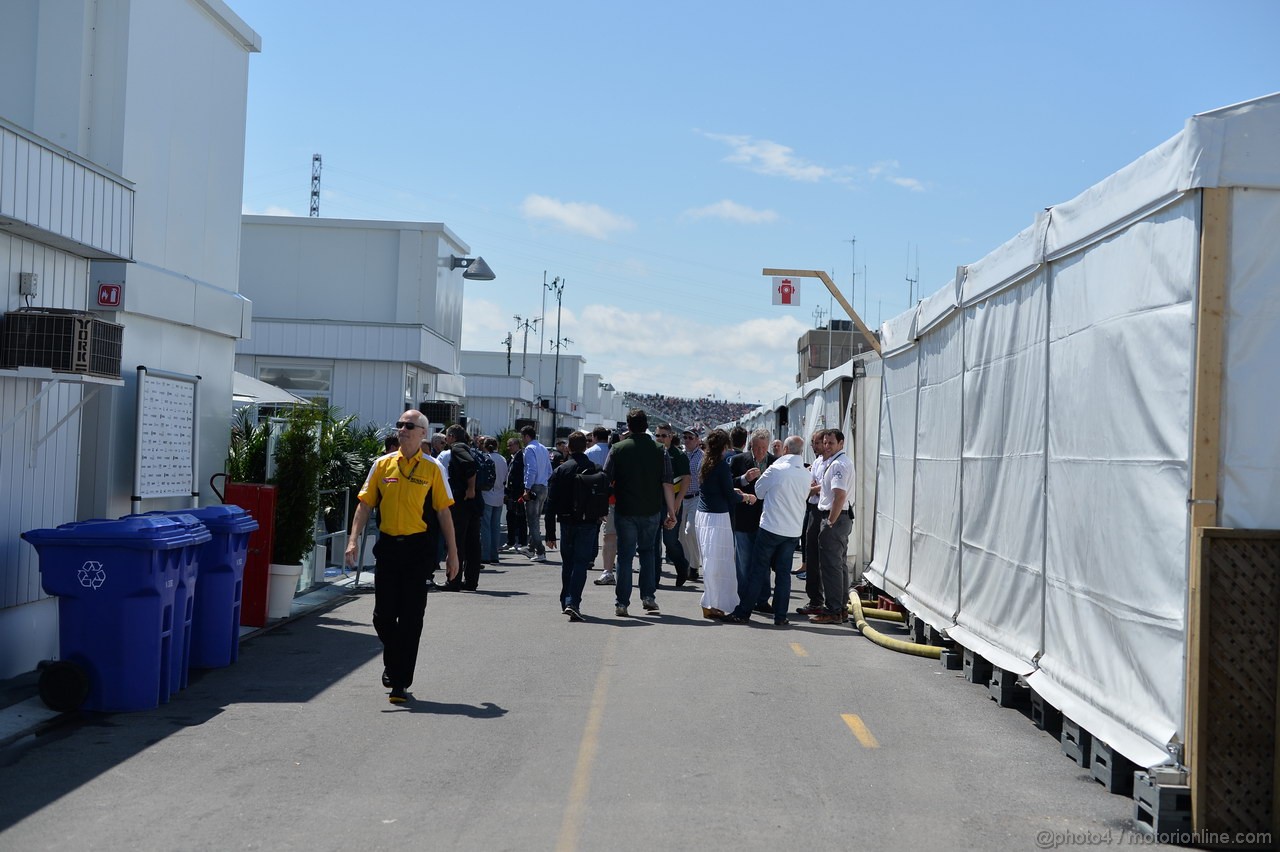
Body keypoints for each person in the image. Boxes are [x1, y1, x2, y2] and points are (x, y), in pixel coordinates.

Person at [345, 410, 458, 704]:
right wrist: (352, 539)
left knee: (410, 618)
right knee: (382, 616)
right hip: (388, 549)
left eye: (409, 426)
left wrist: (454, 555)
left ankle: (399, 681)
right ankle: (394, 659)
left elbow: (444, 512)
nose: (402, 429)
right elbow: (364, 505)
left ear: (423, 433)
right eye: (399, 425)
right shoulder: (382, 465)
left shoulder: (433, 469)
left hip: (418, 550)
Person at [727, 435, 809, 626]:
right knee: (783, 575)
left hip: (771, 527)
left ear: (786, 450)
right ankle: (780, 616)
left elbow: (759, 491)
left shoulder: (776, 469)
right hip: (792, 531)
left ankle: (744, 612)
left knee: (758, 570)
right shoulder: (806, 473)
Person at [603, 409, 677, 616]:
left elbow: (605, 479)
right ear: (646, 426)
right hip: (651, 510)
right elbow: (667, 483)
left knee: (625, 556)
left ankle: (622, 602)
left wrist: (601, 507)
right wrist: (672, 512)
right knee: (648, 553)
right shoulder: (660, 450)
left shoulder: (617, 449)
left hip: (625, 509)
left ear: (628, 426)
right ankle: (648, 596)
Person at [546, 431, 606, 621]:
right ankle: (573, 602)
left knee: (568, 563)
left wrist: (549, 533)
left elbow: (551, 503)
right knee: (580, 563)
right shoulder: (595, 468)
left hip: (566, 522)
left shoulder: (562, 470)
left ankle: (566, 600)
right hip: (588, 522)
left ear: (569, 448)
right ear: (585, 447)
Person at [696, 428, 751, 619]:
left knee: (710, 563)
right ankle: (711, 602)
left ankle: (711, 601)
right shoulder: (721, 466)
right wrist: (745, 497)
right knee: (720, 563)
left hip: (703, 516)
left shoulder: (704, 463)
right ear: (725, 446)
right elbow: (729, 495)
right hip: (717, 518)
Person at [811, 428, 855, 625]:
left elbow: (839, 496)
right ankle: (840, 608)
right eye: (825, 442)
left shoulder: (838, 465)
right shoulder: (837, 462)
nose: (827, 446)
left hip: (835, 518)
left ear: (841, 444)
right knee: (838, 565)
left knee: (830, 566)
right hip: (841, 518)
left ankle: (834, 609)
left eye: (831, 443)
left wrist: (829, 521)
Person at [729, 427, 775, 612]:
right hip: (743, 519)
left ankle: (762, 600)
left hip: (766, 520)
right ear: (751, 445)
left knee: (763, 562)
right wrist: (744, 479)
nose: (761, 452)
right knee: (744, 562)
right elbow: (729, 483)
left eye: (764, 448)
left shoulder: (775, 462)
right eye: (757, 447)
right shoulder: (739, 460)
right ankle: (743, 597)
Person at [438, 425, 482, 591]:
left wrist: (470, 488)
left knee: (456, 541)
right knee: (473, 543)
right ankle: (471, 581)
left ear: (452, 437)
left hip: (463, 500)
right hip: (474, 503)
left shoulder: (457, 449)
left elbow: (470, 466)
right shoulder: (470, 448)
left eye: (447, 437)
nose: (445, 440)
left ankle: (453, 580)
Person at [796, 430, 829, 615]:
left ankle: (822, 601)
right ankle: (815, 599)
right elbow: (810, 484)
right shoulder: (817, 462)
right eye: (813, 444)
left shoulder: (833, 463)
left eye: (818, 443)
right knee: (811, 554)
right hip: (813, 509)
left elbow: (826, 487)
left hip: (823, 510)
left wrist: (813, 488)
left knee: (822, 557)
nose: (815, 447)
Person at [654, 423, 692, 586]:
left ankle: (682, 566)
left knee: (670, 542)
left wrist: (676, 503)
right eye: (658, 435)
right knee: (654, 542)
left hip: (672, 504)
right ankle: (653, 578)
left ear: (670, 437)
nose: (660, 439)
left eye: (664, 435)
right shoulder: (653, 453)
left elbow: (686, 479)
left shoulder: (678, 455)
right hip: (654, 504)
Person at [518, 425, 552, 562]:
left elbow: (531, 469)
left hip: (534, 487)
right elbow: (549, 470)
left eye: (522, 437)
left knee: (532, 520)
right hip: (543, 486)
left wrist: (527, 488)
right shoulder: (543, 448)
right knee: (536, 519)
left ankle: (540, 551)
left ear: (527, 436)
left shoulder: (529, 449)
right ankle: (531, 549)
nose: (522, 440)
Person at [678, 428, 704, 581]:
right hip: (682, 497)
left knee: (690, 530)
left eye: (690, 437)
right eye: (685, 437)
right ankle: (688, 565)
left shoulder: (701, 457)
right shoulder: (681, 455)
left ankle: (694, 565)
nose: (687, 440)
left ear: (697, 440)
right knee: (681, 535)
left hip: (696, 497)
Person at [479, 436, 507, 564]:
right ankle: (494, 554)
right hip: (499, 495)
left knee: (486, 527)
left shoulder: (486, 458)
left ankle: (485, 555)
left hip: (487, 494)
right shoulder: (502, 459)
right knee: (495, 527)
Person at [501, 436, 527, 552]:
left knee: (520, 517)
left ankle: (522, 541)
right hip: (511, 491)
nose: (508, 447)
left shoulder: (521, 457)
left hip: (518, 491)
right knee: (510, 516)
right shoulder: (511, 458)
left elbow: (519, 475)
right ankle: (510, 540)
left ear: (517, 445)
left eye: (511, 445)